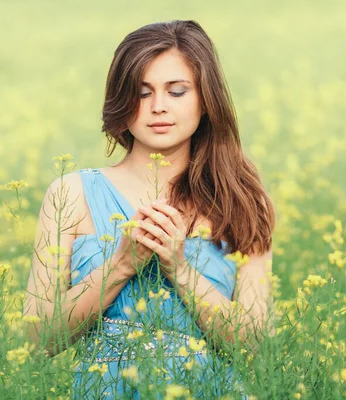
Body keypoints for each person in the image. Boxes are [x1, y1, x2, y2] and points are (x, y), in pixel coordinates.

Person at [23, 20, 277, 399]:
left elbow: (256, 347)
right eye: (142, 94)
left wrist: (180, 268)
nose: (159, 107)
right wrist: (122, 264)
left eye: (177, 91)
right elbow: (38, 339)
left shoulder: (242, 200)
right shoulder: (70, 194)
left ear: (206, 100)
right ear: (121, 102)